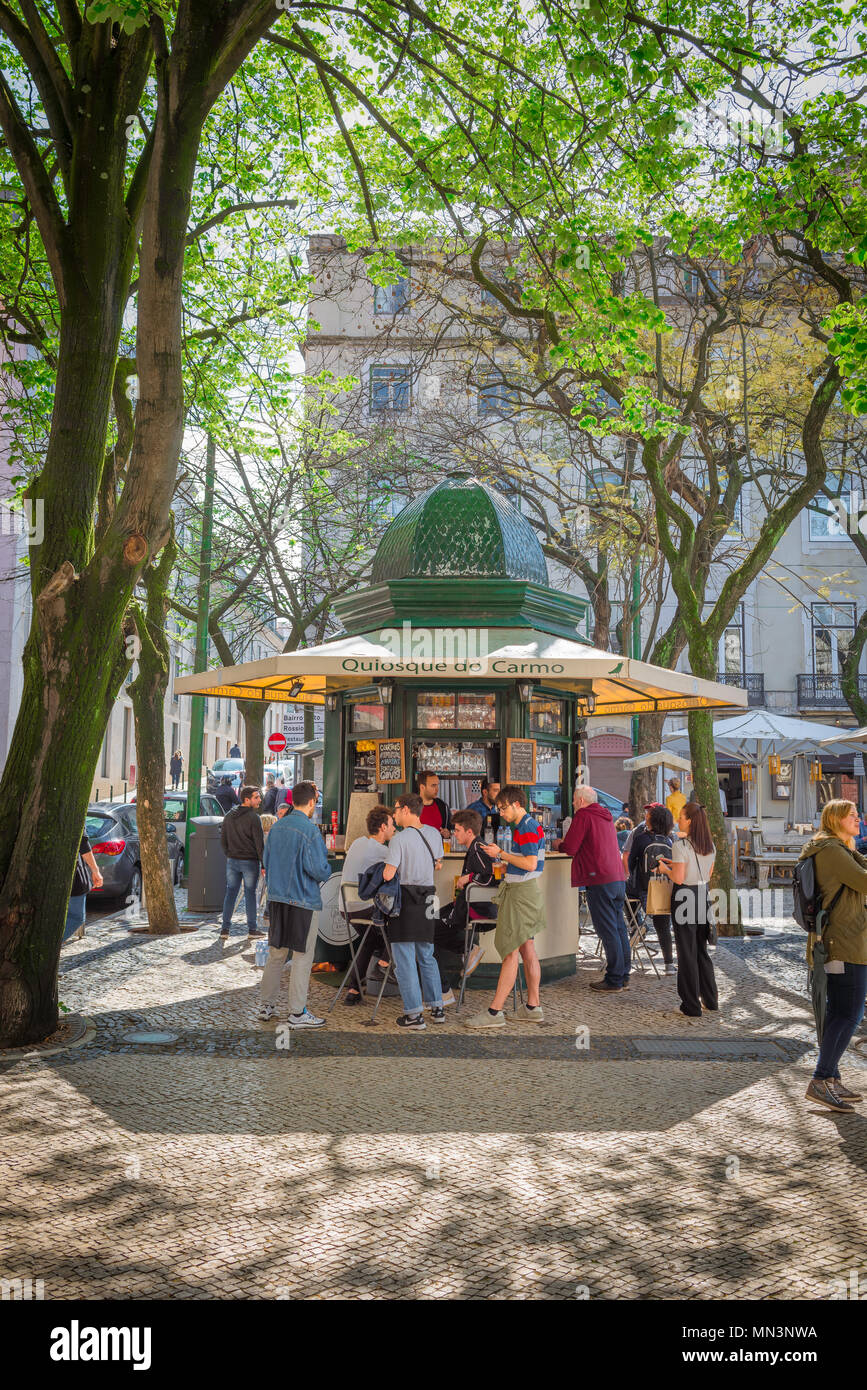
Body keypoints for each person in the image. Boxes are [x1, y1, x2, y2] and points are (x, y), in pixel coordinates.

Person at [798, 800, 867, 1112]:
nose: (858, 818)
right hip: (843, 942)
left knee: (840, 1010)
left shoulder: (839, 849)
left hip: (842, 939)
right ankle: (820, 1078)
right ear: (836, 819)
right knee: (848, 1012)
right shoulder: (831, 851)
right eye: (851, 815)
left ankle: (831, 1077)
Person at [463, 785, 545, 1028]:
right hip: (526, 893)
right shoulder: (528, 825)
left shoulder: (525, 828)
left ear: (517, 804)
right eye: (498, 808)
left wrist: (501, 854)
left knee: (510, 951)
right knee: (527, 949)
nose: (501, 813)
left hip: (520, 894)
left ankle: (494, 1012)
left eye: (503, 808)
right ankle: (532, 1007)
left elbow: (530, 863)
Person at [257, 782, 332, 1027]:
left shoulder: (277, 828)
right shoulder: (309, 831)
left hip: (277, 899)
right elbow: (319, 870)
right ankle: (297, 1013)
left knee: (276, 954)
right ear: (311, 802)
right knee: (301, 956)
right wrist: (327, 867)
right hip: (303, 900)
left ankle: (266, 1006)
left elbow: (266, 861)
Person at [381, 792, 444, 1030]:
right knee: (427, 953)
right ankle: (437, 1007)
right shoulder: (434, 834)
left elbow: (388, 874)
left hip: (406, 899)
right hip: (429, 898)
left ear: (406, 809)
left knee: (405, 958)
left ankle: (414, 1015)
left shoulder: (399, 839)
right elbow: (438, 863)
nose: (394, 814)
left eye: (396, 809)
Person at [560, 784, 631, 993]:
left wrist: (557, 844)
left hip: (598, 878)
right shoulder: (606, 815)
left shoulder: (583, 815)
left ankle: (614, 979)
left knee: (608, 930)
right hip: (616, 878)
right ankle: (624, 975)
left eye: (574, 799)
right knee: (619, 929)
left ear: (581, 800)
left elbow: (571, 847)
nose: (573, 803)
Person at [657, 802, 718, 1022]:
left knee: (686, 952)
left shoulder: (681, 846)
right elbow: (706, 873)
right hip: (703, 895)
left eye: (681, 816)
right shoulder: (709, 845)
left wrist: (665, 869)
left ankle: (690, 1004)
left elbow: (679, 878)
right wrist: (676, 864)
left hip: (684, 898)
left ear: (689, 820)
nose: (678, 820)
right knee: (701, 949)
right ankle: (710, 999)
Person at [434, 808, 495, 1000]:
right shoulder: (476, 847)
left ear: (469, 832)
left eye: (458, 830)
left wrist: (468, 877)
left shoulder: (478, 848)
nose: (454, 834)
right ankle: (468, 949)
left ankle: (442, 992)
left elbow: (491, 876)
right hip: (465, 906)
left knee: (427, 932)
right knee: (431, 925)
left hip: (474, 908)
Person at [339, 805, 396, 1006]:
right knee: (401, 919)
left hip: (345, 908)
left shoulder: (357, 843)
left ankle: (354, 990)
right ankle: (383, 963)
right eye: (391, 824)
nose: (394, 828)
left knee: (370, 939)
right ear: (383, 827)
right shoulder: (383, 851)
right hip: (364, 907)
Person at [628, 803, 676, 973]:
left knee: (624, 893)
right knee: (663, 926)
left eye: (648, 816)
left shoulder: (641, 838)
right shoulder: (671, 840)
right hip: (663, 888)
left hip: (642, 889)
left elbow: (630, 863)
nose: (645, 818)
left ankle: (637, 923)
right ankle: (669, 964)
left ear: (652, 820)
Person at [219, 785, 264, 940]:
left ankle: (225, 929)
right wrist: (264, 864)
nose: (259, 800)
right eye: (256, 797)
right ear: (247, 799)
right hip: (249, 861)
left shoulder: (229, 815)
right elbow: (259, 844)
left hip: (232, 860)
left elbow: (223, 840)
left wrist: (229, 854)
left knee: (230, 893)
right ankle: (252, 929)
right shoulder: (253, 818)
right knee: (250, 894)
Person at [63, 831, 104, 943]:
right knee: (76, 918)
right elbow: (82, 842)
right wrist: (95, 870)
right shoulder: (74, 813)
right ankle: (47, 948)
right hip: (72, 874)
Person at [417, 771, 451, 842]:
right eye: (433, 785)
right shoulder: (411, 806)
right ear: (422, 787)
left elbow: (449, 831)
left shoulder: (442, 806)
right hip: (415, 851)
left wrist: (447, 834)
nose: (437, 789)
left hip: (437, 851)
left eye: (437, 785)